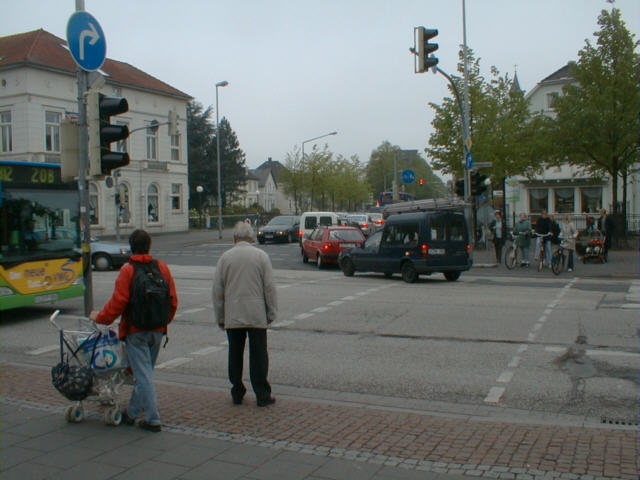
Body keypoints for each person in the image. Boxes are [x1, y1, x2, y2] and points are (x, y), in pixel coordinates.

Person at [90, 229, 178, 432]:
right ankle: (131, 413)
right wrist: (164, 321)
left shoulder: (128, 270)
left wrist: (102, 318)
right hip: (158, 329)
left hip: (135, 330)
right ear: (149, 245)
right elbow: (172, 299)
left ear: (131, 246)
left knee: (142, 375)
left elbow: (119, 302)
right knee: (145, 373)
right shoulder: (161, 268)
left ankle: (153, 419)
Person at [213, 221, 277, 407]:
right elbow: (269, 288)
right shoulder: (261, 256)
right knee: (259, 355)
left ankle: (237, 391)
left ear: (235, 238)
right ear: (251, 238)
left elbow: (218, 290)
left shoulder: (225, 258)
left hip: (233, 313)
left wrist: (220, 316)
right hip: (256, 314)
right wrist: (271, 312)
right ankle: (262, 394)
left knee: (235, 353)